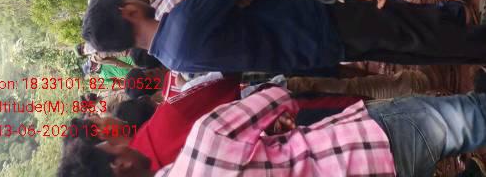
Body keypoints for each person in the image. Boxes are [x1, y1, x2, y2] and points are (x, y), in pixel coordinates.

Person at [58, 80, 486, 177]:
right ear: (116, 163)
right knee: (465, 119)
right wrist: (271, 126)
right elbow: (276, 97)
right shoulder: (200, 144)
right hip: (365, 149)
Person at [81, 0, 486, 73]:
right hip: (316, 22)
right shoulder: (183, 22)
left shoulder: (171, 56)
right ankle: (471, 38)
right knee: (406, 32)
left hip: (311, 49)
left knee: (406, 45)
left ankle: (461, 29)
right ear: (127, 12)